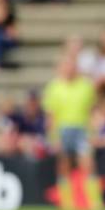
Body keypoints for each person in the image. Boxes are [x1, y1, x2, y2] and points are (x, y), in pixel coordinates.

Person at [42, 57, 96, 186]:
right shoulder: (54, 86)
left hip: (82, 128)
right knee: (63, 165)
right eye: (66, 66)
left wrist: (93, 132)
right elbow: (50, 115)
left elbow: (92, 111)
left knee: (87, 163)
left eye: (72, 66)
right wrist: (54, 137)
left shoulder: (86, 85)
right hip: (62, 129)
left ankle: (93, 199)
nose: (69, 69)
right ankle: (65, 199)